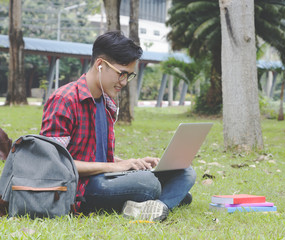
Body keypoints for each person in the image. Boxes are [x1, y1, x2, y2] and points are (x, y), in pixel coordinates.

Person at [40, 31, 196, 221]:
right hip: (80, 187)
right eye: (121, 74)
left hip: (105, 178)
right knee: (150, 184)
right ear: (100, 65)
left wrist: (132, 163)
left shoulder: (107, 102)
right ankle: (167, 198)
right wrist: (114, 167)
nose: (123, 82)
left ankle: (157, 206)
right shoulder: (64, 99)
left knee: (185, 172)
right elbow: (52, 164)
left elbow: (97, 155)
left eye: (128, 76)